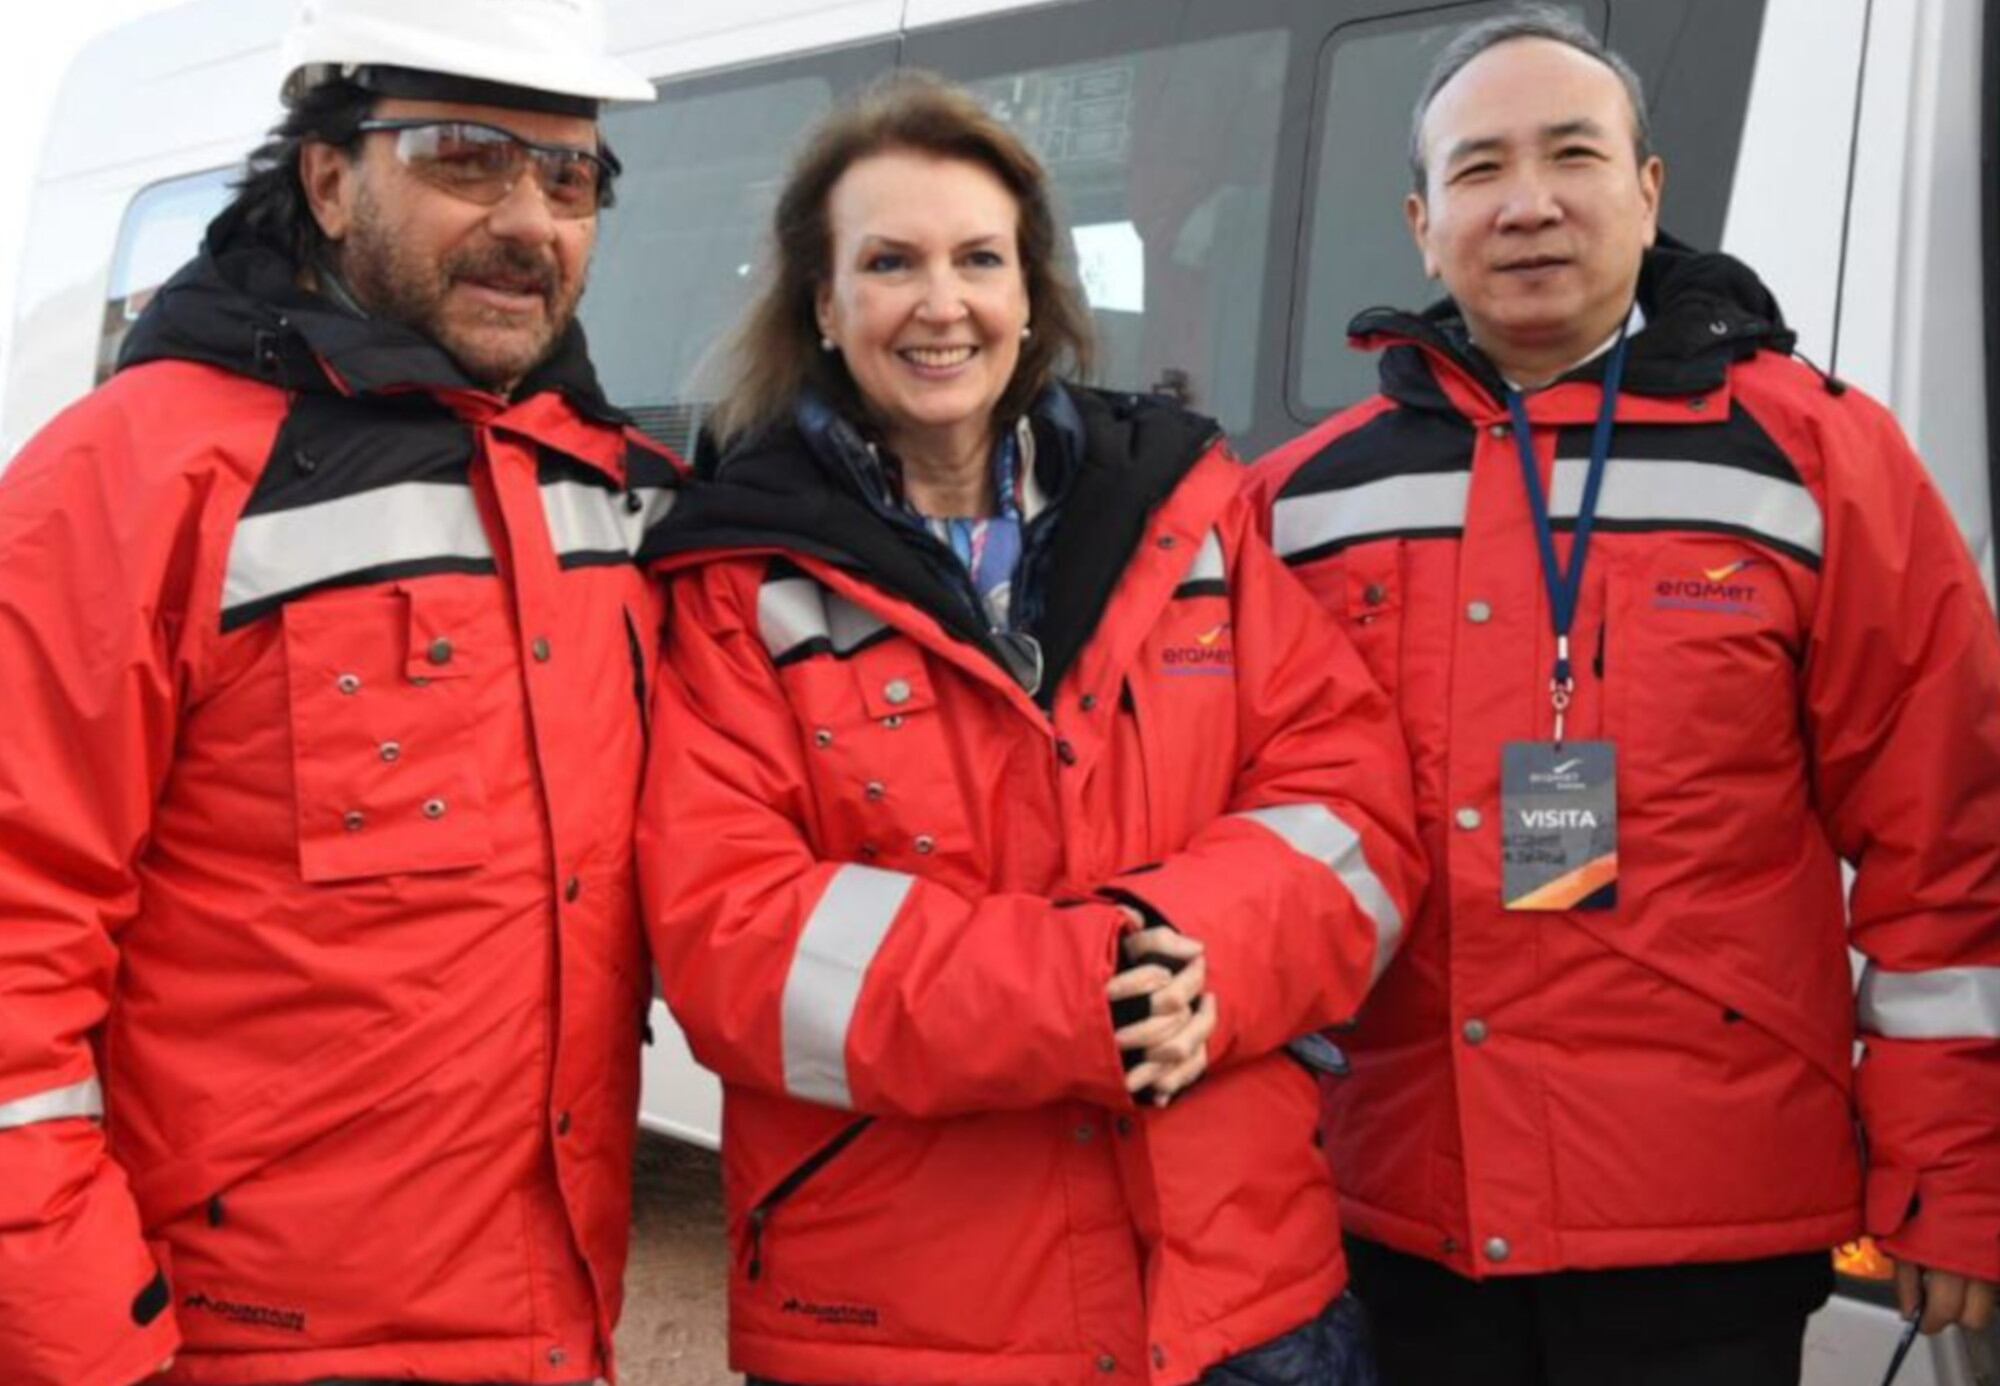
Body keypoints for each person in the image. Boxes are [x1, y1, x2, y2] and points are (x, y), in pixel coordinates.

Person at [636, 74, 1425, 1385]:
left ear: (1033, 292)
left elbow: (1355, 806)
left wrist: (1200, 951)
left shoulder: (1191, 514)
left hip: (1237, 1298)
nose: (941, 302)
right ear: (824, 307)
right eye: (889, 261)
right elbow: (733, 939)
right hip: (914, 1319)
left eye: (978, 258)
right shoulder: (734, 584)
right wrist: (1092, 993)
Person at [1251, 7, 2000, 1384]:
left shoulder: (1816, 457)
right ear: (1422, 223)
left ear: (1648, 192)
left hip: (1702, 1227)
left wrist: (1950, 1169)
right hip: (1399, 1206)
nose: (1528, 203)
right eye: (1478, 170)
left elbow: (1947, 839)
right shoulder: (1303, 503)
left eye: (1572, 155)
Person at [0, 1, 676, 1382]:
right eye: (466, 157)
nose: (530, 222)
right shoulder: (127, 476)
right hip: (235, 1345)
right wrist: (87, 1348)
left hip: (554, 1332)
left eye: (568, 177)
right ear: (326, 175)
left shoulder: (601, 486)